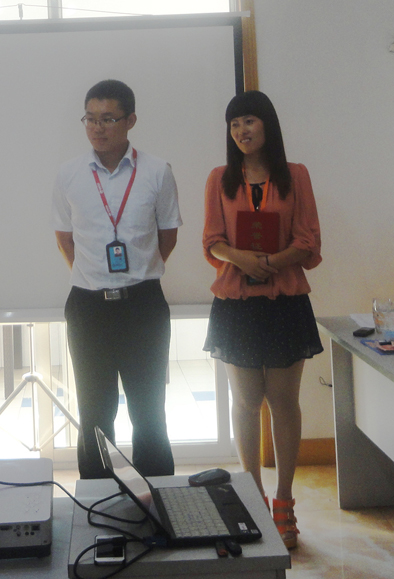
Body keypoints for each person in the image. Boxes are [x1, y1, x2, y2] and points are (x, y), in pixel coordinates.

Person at [202, 90, 323, 549]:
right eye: (234, 125)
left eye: (249, 121)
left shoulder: (296, 175)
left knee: (283, 401)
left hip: (285, 300)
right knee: (246, 400)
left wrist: (270, 262)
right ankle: (252, 499)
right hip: (237, 303)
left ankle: (284, 501)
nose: (241, 131)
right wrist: (242, 259)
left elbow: (308, 240)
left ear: (267, 124)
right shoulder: (219, 179)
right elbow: (212, 239)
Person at [52, 79, 181, 479]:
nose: (97, 127)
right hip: (88, 308)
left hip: (143, 305)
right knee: (94, 413)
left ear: (130, 121)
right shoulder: (69, 174)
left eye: (108, 119)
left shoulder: (157, 171)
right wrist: (98, 277)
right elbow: (65, 239)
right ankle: (98, 501)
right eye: (90, 119)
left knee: (149, 411)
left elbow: (167, 236)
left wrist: (134, 274)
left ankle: (157, 499)